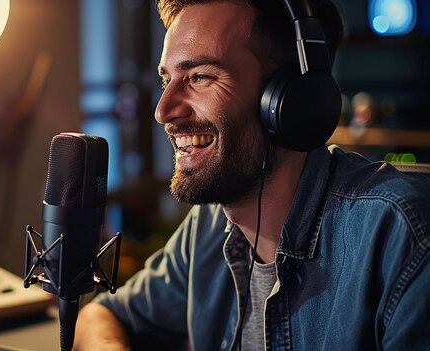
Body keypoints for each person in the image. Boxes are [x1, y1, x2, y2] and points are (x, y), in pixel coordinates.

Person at [74, 0, 430, 350]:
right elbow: (102, 316)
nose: (163, 111)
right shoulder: (209, 229)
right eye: (168, 79)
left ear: (290, 101)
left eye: (200, 76)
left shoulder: (400, 237)